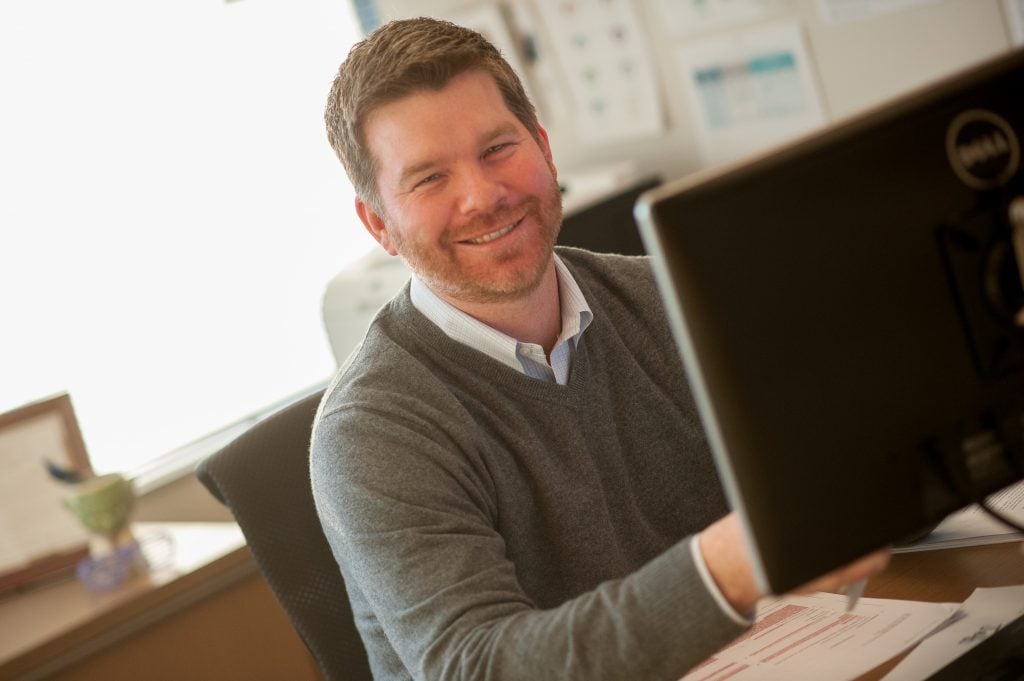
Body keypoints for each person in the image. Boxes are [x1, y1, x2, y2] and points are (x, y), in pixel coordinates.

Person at [311, 17, 888, 681]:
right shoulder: (371, 432)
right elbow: (481, 667)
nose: (482, 195)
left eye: (498, 148)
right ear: (379, 223)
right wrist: (727, 566)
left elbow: (831, 470)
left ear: (545, 149)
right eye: (429, 178)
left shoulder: (670, 299)